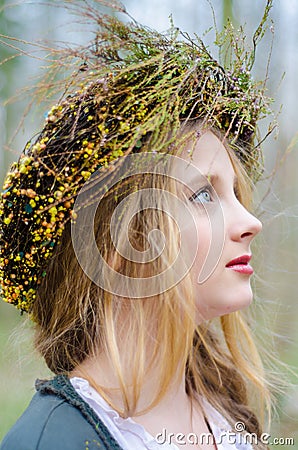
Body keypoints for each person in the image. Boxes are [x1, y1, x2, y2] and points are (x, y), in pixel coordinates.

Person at [0, 1, 276, 449]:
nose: (251, 222)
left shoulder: (228, 411)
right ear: (120, 242)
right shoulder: (49, 441)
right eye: (204, 194)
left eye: (236, 196)